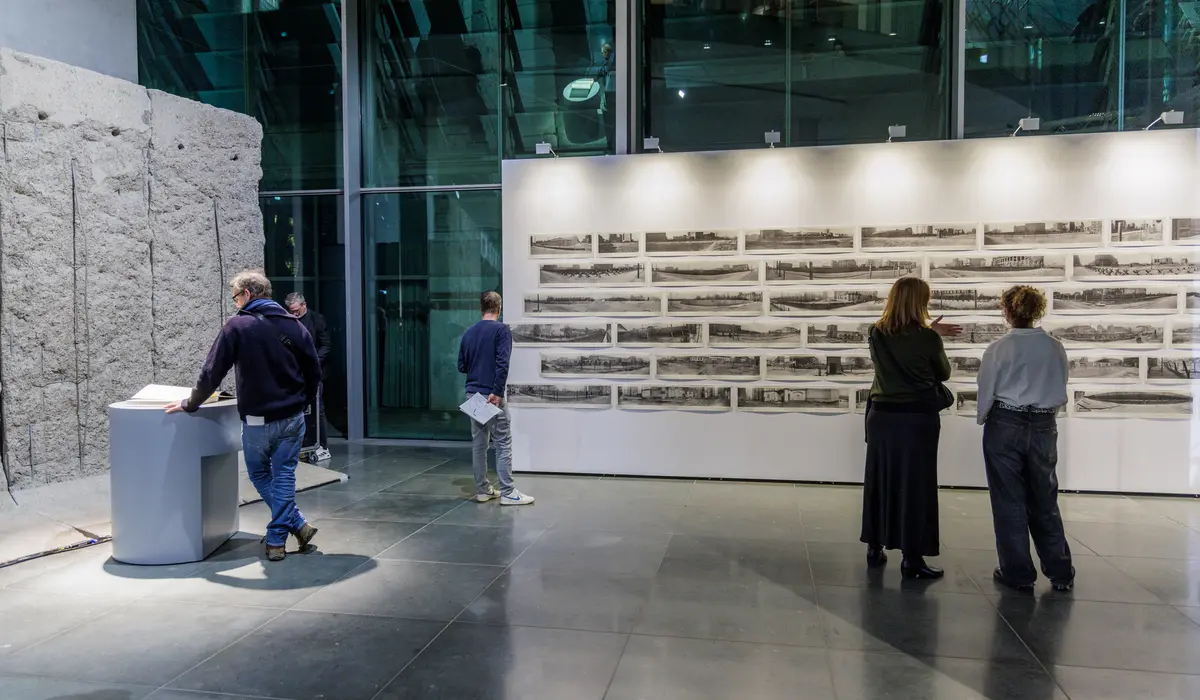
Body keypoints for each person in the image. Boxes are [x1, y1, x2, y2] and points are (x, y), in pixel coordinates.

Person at [166, 270, 322, 562]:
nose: (235, 302)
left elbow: (211, 373)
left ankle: (278, 539)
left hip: (258, 421)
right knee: (285, 474)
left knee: (260, 473)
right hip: (292, 417)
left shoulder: (237, 327)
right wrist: (303, 401)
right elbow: (313, 370)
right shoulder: (296, 326)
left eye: (236, 296)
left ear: (247, 295)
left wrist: (191, 403)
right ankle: (296, 525)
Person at [861, 277, 960, 579]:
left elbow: (898, 345)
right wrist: (932, 334)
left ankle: (875, 547)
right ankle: (912, 558)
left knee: (879, 480)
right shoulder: (927, 338)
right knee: (916, 487)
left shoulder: (875, 332)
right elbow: (942, 372)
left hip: (881, 417)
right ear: (922, 302)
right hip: (916, 419)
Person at [976, 286, 1075, 592]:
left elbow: (986, 390)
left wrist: (984, 418)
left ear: (1006, 311)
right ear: (1038, 311)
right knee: (1045, 498)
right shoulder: (1054, 347)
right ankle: (1060, 572)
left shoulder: (998, 349)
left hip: (1005, 422)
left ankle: (1017, 572)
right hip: (1044, 423)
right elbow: (1061, 385)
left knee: (1009, 501)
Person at [457, 291, 535, 506]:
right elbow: (503, 363)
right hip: (492, 395)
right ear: (499, 308)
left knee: (479, 444)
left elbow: (461, 366)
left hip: (473, 394)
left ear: (481, 308)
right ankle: (508, 492)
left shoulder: (469, 333)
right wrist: (497, 392)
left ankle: (483, 490)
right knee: (503, 443)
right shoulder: (502, 331)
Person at [285, 292, 332, 463]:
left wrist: (313, 363)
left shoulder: (316, 319)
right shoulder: (288, 320)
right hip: (295, 371)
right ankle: (302, 445)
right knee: (297, 410)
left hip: (313, 371)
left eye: (296, 311)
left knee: (317, 409)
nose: (294, 314)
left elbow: (326, 345)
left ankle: (323, 446)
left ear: (304, 305)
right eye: (291, 311)